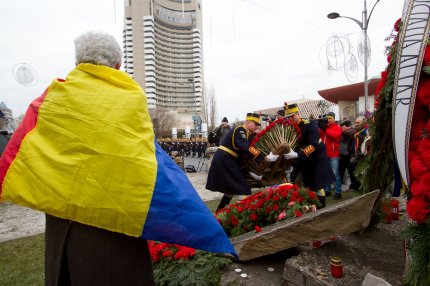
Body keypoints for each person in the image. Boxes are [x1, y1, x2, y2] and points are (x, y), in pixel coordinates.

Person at [0, 31, 236, 285]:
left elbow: (21, 154)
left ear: (78, 62)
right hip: (115, 220)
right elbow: (142, 159)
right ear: (117, 64)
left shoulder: (53, 97)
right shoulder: (128, 97)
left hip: (63, 224)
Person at [206, 112, 279, 211]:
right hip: (225, 158)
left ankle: (219, 211)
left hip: (228, 159)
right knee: (243, 186)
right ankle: (243, 213)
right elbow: (246, 148)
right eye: (255, 124)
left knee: (231, 189)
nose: (257, 127)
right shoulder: (240, 130)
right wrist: (265, 158)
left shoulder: (247, 133)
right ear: (248, 122)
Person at [283, 104, 335, 208]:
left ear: (298, 114)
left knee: (318, 184)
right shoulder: (290, 127)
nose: (290, 119)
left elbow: (314, 144)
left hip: (317, 157)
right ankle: (311, 205)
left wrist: (298, 154)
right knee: (306, 183)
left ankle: (321, 207)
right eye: (288, 117)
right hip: (304, 159)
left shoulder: (310, 124)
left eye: (292, 116)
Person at [320, 112, 342, 199]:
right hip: (325, 154)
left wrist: (325, 129)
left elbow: (334, 136)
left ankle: (338, 192)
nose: (328, 120)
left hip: (334, 155)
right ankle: (327, 190)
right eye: (327, 118)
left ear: (333, 118)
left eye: (330, 118)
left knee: (335, 173)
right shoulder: (325, 127)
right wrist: (319, 126)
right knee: (326, 173)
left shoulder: (337, 127)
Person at [349, 116, 369, 191]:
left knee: (361, 173)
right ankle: (356, 187)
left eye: (358, 122)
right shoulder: (358, 131)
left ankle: (359, 188)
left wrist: (359, 154)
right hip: (357, 154)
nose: (356, 124)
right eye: (355, 122)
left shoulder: (366, 131)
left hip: (363, 156)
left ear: (364, 122)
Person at [338, 120, 355, 189]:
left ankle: (352, 186)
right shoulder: (346, 132)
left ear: (345, 126)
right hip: (343, 154)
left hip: (347, 155)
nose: (341, 128)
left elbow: (346, 134)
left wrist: (338, 130)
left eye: (342, 126)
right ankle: (340, 185)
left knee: (349, 171)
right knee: (341, 171)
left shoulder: (350, 131)